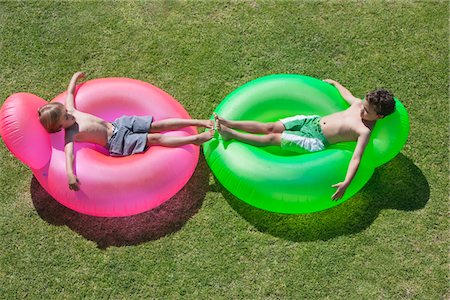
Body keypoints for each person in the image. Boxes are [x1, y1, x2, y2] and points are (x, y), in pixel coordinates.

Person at [214, 79, 396, 201]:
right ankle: (229, 122)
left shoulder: (363, 131)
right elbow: (347, 95)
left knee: (272, 138)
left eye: (367, 111)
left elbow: (356, 158)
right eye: (364, 106)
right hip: (311, 121)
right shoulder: (358, 105)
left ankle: (232, 134)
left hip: (314, 140)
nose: (362, 111)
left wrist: (346, 182)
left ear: (379, 116)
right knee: (269, 126)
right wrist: (335, 83)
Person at [38, 72, 214, 191]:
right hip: (117, 142)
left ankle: (199, 121)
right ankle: (195, 139)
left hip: (119, 124)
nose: (69, 114)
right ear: (60, 127)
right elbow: (69, 154)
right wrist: (70, 175)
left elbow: (70, 94)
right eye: (65, 117)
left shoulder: (72, 111)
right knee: (155, 138)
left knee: (158, 125)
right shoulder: (70, 134)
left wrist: (74, 78)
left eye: (66, 111)